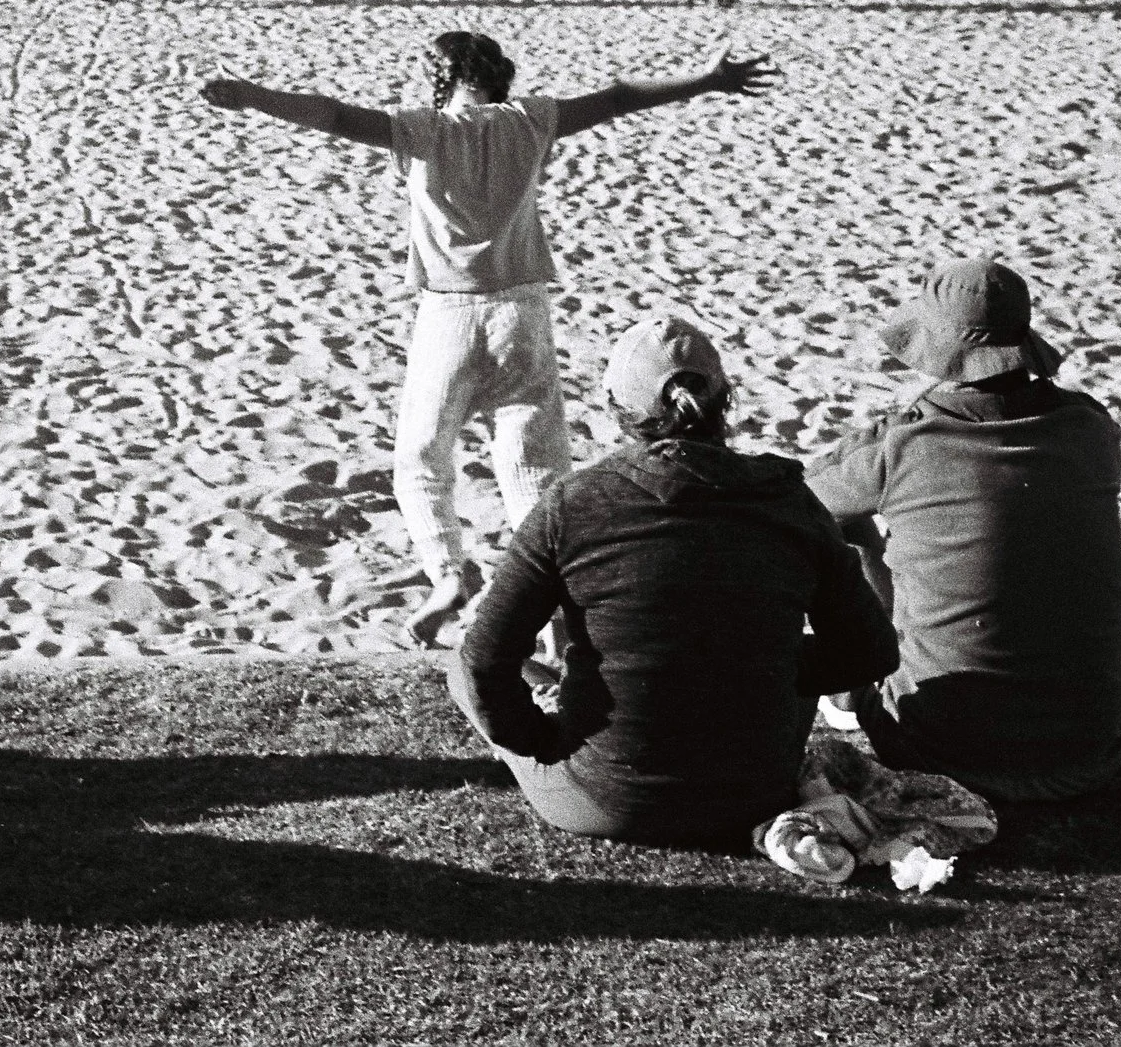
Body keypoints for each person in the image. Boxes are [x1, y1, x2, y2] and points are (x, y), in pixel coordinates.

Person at [200, 34, 779, 644]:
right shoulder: (531, 120)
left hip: (446, 317)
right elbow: (618, 98)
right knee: (535, 470)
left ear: (440, 78)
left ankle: (448, 572)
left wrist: (251, 95)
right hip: (522, 313)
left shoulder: (421, 130)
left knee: (422, 459)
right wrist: (706, 79)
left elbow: (332, 114)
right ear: (497, 76)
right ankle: (553, 611)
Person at [450, 315, 899, 846]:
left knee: (460, 664)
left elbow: (484, 660)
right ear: (724, 399)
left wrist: (539, 740)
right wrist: (764, 664)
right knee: (772, 648)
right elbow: (870, 651)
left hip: (608, 800)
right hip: (755, 791)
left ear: (618, 410)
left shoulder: (574, 506)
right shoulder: (788, 500)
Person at [806, 258, 1121, 802]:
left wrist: (877, 430)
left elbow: (808, 497)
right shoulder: (1091, 429)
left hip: (940, 749)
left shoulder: (905, 444)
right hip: (1093, 747)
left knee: (851, 528)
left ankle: (850, 695)